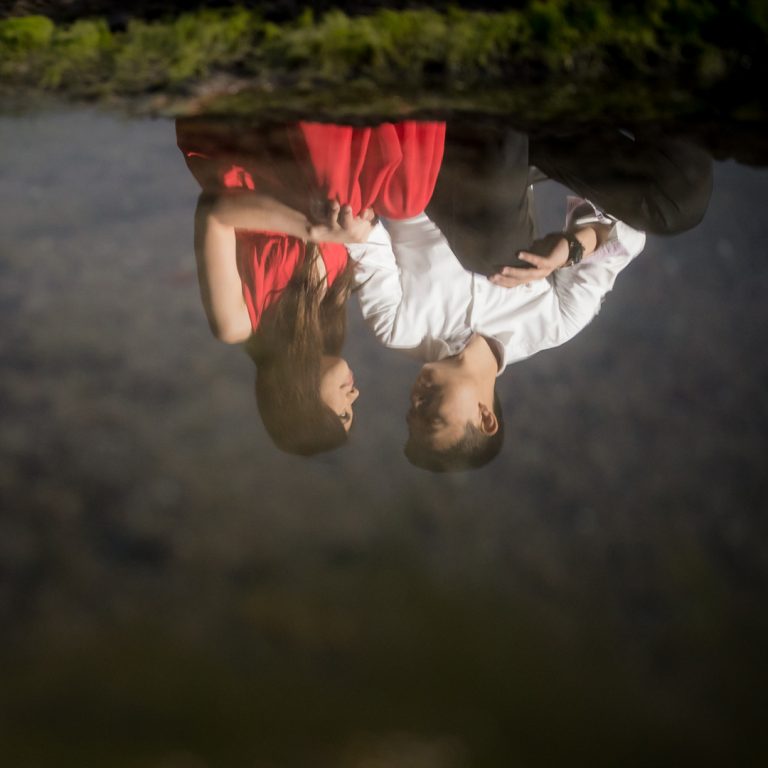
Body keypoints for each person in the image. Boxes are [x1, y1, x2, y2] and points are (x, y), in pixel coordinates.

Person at [177, 118, 445, 455]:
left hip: (253, 155)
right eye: (354, 410)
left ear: (301, 405)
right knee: (406, 200)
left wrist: (312, 230)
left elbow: (213, 213)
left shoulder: (237, 324)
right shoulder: (327, 305)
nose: (355, 396)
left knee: (342, 191)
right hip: (317, 169)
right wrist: (358, 226)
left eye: (343, 411)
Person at [349, 198, 646, 471]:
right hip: (501, 162)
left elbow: (361, 235)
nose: (415, 401)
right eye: (432, 416)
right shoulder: (556, 321)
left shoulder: (397, 329)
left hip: (415, 169)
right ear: (485, 417)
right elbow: (622, 235)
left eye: (410, 412)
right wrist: (570, 249)